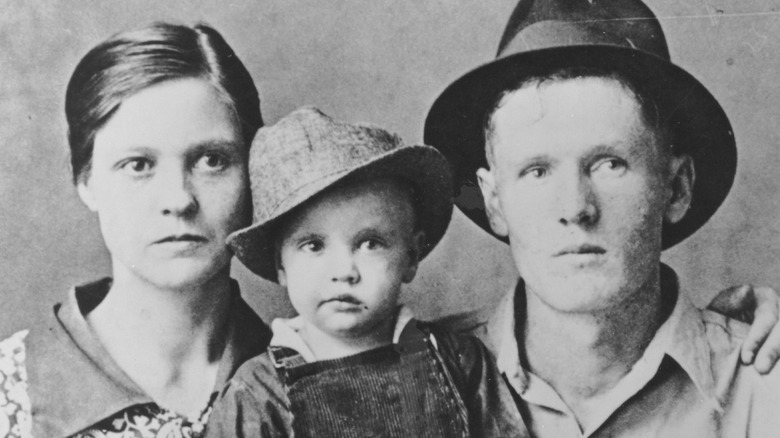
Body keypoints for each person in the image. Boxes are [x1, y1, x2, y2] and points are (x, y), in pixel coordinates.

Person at [424, 0, 780, 435]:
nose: (575, 208)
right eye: (537, 171)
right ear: (495, 201)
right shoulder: (419, 376)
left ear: (676, 188)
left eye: (609, 164)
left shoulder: (766, 390)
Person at [0, 23, 270, 437]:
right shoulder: (11, 393)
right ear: (86, 181)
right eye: (139, 165)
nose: (179, 199)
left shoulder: (310, 378)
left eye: (212, 160)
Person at [204, 107, 527, 437]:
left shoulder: (459, 361)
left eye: (371, 243)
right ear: (280, 264)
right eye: (314, 246)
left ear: (411, 256)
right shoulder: (258, 395)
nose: (344, 271)